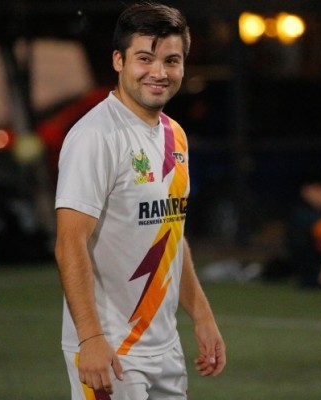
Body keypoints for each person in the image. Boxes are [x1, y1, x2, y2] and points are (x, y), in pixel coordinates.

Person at [54, 2, 226, 399]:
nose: (159, 72)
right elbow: (69, 242)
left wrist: (202, 316)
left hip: (165, 347)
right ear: (119, 60)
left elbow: (171, 235)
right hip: (111, 351)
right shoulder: (95, 136)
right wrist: (90, 338)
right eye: (145, 58)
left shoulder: (175, 134)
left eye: (171, 61)